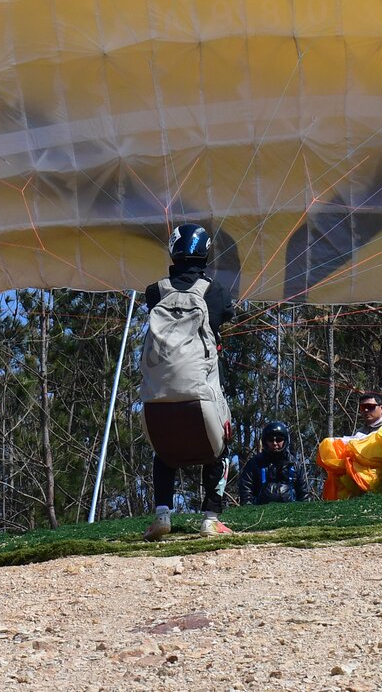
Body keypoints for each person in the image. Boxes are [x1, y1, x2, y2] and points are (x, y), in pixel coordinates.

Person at [141, 223, 237, 540]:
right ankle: (211, 518)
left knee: (163, 454)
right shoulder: (214, 292)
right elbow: (225, 314)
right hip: (200, 398)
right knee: (221, 451)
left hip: (155, 400)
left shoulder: (154, 292)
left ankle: (162, 515)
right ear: (206, 252)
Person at [239, 421, 311, 505]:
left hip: (291, 511)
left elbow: (304, 495)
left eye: (279, 439)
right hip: (260, 511)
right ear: (265, 441)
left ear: (285, 441)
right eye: (270, 440)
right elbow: (246, 492)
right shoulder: (254, 463)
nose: (275, 443)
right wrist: (251, 509)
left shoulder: (294, 465)